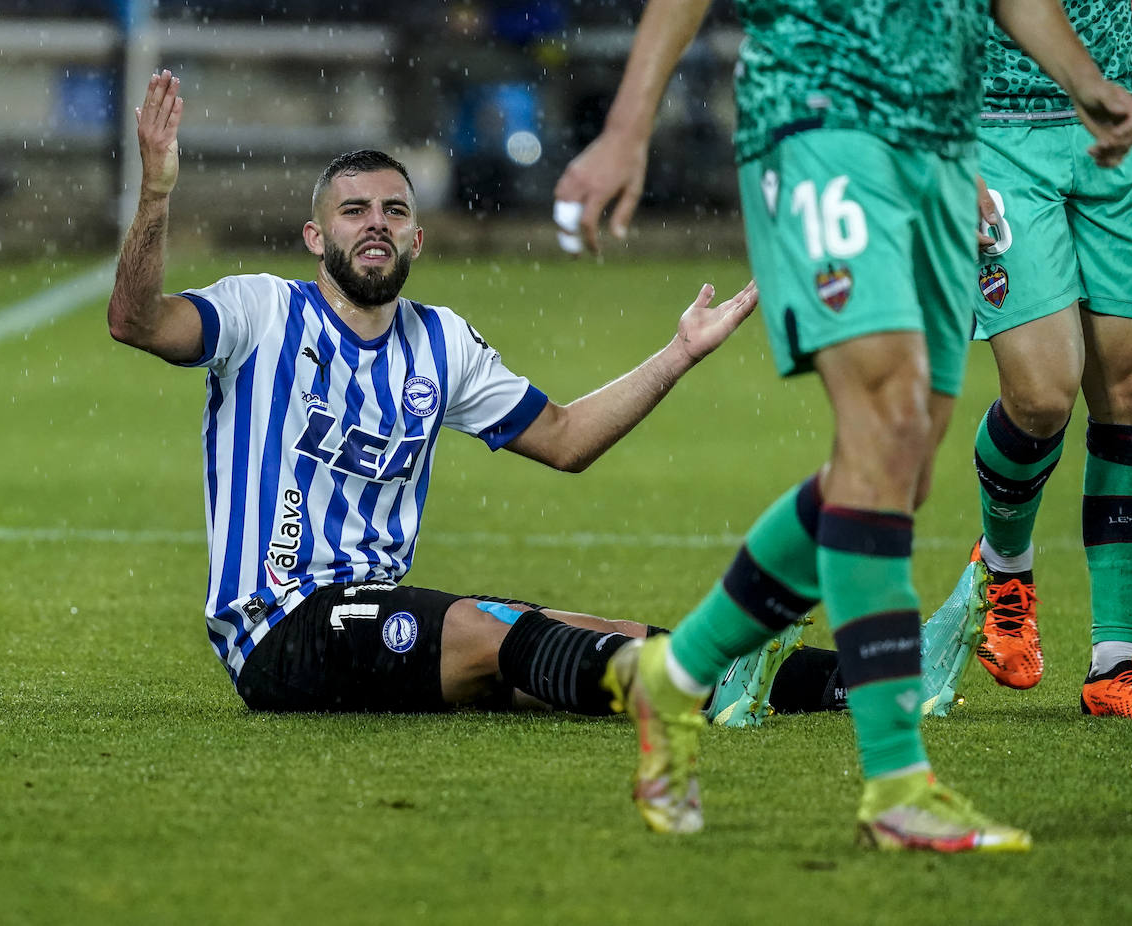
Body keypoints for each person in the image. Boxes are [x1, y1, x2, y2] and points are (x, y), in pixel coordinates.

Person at [555, 0, 1132, 849]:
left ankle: (672, 678)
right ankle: (899, 787)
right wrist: (627, 125)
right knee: (886, 426)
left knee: (896, 470)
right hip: (818, 122)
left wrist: (1085, 85)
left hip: (938, 144)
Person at [106, 70, 764, 721]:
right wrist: (157, 196)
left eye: (394, 212)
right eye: (353, 211)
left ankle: (826, 680)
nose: (375, 225)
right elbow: (135, 322)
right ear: (316, 237)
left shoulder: (440, 341)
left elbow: (567, 439)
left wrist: (678, 354)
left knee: (575, 626)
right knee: (488, 630)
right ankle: (694, 692)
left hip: (376, 614)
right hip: (278, 629)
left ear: (415, 240)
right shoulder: (261, 311)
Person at [962, 0, 1132, 720]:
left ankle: (1116, 666)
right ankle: (1004, 567)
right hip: (994, 132)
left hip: (1116, 122)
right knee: (1041, 394)